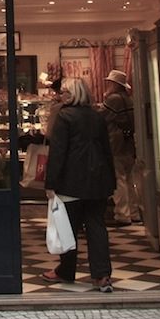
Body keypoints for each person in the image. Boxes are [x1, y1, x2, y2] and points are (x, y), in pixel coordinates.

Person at [41, 77, 116, 292]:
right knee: (96, 226)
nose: (60, 95)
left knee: (68, 227)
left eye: (65, 91)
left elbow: (58, 153)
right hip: (98, 181)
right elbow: (106, 150)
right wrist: (111, 179)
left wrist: (51, 183)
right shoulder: (97, 117)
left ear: (74, 94)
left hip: (71, 181)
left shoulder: (64, 117)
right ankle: (102, 276)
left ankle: (66, 270)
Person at [100, 69, 141, 225]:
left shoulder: (114, 99)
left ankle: (122, 214)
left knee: (118, 179)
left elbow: (101, 116)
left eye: (110, 82)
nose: (108, 85)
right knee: (130, 179)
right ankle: (134, 212)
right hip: (129, 143)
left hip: (116, 143)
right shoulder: (128, 98)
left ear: (115, 84)